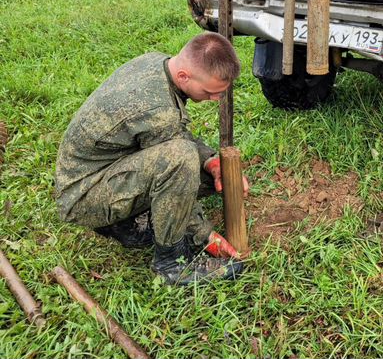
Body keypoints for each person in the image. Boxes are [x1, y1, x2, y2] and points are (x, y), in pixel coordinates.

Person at [55, 32, 249, 286]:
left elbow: (171, 134)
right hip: (82, 195)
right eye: (210, 91)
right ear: (184, 77)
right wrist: (204, 235)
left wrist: (210, 162)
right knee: (180, 160)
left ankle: (124, 224)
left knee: (196, 168)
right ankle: (172, 264)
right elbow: (174, 155)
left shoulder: (159, 63)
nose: (216, 98)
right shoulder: (157, 109)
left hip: (107, 169)